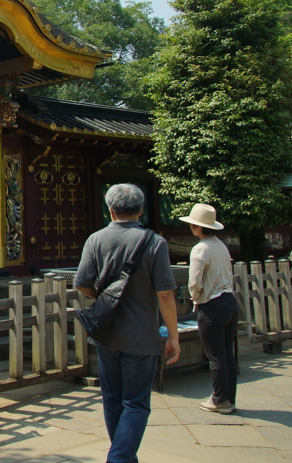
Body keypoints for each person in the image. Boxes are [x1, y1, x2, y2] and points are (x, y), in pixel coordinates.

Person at [75, 184, 180, 463]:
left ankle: (123, 455)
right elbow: (166, 294)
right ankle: (120, 457)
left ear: (110, 209)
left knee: (112, 398)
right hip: (141, 333)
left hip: (107, 332)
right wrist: (173, 335)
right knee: (135, 403)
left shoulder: (96, 240)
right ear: (141, 210)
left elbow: (82, 284)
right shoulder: (155, 242)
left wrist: (106, 297)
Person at [181, 203, 237, 414]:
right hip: (229, 300)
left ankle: (219, 399)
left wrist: (195, 297)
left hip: (212, 304)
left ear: (196, 227)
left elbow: (194, 282)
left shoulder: (200, 249)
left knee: (215, 356)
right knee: (226, 354)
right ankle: (229, 398)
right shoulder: (221, 245)